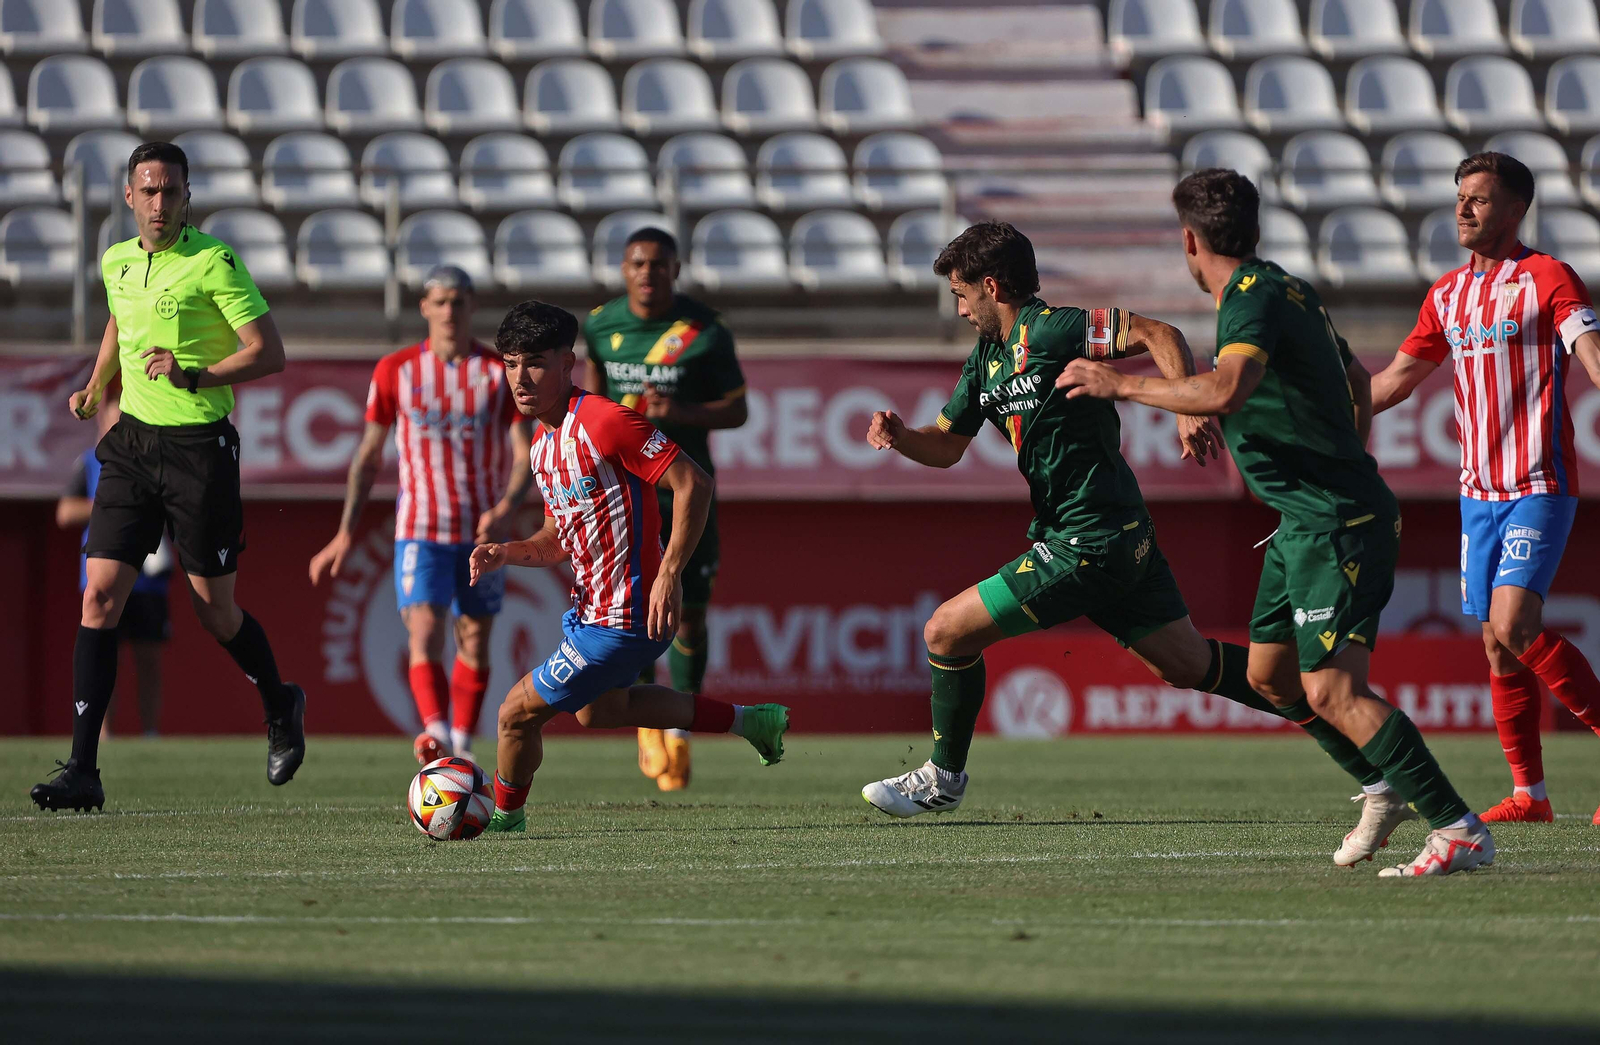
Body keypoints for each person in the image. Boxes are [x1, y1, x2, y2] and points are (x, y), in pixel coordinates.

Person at [857, 221, 1391, 855]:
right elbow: (946, 446)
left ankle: (943, 777)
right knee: (1192, 664)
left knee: (944, 630)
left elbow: (1158, 333)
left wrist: (1189, 408)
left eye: (961, 294)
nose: (961, 308)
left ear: (990, 286)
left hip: (1091, 538)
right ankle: (1373, 750)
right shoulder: (986, 362)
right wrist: (900, 436)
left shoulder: (1054, 328)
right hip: (1116, 533)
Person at [1059, 168, 1493, 877]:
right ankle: (1383, 788)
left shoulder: (1250, 301)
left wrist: (1123, 382)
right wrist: (1344, 453)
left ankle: (1457, 825)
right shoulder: (1289, 288)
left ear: (1189, 241)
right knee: (1272, 677)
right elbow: (1357, 381)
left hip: (1333, 519)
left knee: (1334, 691)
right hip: (1304, 519)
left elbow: (1230, 385)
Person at [30, 141, 305, 813]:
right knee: (98, 597)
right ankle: (84, 769)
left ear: (187, 196)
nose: (159, 203)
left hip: (199, 451)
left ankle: (280, 701)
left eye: (171, 192)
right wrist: (98, 384)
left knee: (215, 611)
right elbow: (121, 323)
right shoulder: (117, 261)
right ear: (129, 197)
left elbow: (269, 352)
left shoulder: (213, 261)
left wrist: (195, 375)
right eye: (148, 191)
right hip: (129, 447)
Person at [468, 301, 786, 834]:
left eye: (536, 363)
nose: (521, 378)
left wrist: (669, 575)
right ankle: (753, 721)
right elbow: (558, 538)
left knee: (514, 713)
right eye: (511, 362)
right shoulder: (546, 444)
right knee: (601, 711)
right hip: (590, 612)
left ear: (569, 363)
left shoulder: (606, 420)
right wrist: (508, 552)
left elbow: (694, 482)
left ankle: (503, 816)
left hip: (629, 612)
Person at [1368, 152, 1600, 827]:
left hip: (1539, 481)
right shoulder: (1446, 295)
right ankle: (1531, 794)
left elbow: (1588, 351)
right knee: (1497, 644)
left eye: (1480, 198)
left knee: (1513, 624)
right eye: (1461, 196)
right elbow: (1393, 382)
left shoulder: (1547, 277)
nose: (1464, 209)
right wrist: (1325, 420)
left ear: (1515, 209)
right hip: (1478, 492)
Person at [309, 265, 532, 764]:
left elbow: (525, 454)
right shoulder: (397, 370)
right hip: (421, 529)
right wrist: (345, 533)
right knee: (425, 630)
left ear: (472, 306)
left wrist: (505, 509)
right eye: (441, 300)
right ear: (424, 307)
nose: (450, 310)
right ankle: (434, 738)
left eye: (459, 301)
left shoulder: (498, 372)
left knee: (474, 638)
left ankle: (462, 744)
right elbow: (368, 455)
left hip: (481, 532)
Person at [582, 227, 748, 790]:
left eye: (659, 264)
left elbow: (738, 411)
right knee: (631, 614)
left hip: (683, 489)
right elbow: (590, 398)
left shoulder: (705, 330)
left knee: (690, 611)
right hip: (623, 496)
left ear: (676, 270)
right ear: (623, 270)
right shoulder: (601, 325)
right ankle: (648, 725)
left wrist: (681, 411)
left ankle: (681, 725)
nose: (648, 273)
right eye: (637, 264)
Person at [57, 384, 172, 740]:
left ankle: (149, 732)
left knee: (148, 658)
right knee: (105, 655)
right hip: (103, 575)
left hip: (148, 575)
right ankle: (103, 733)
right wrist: (114, 507)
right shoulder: (90, 463)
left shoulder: (156, 460)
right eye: (115, 415)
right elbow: (65, 512)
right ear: (102, 421)